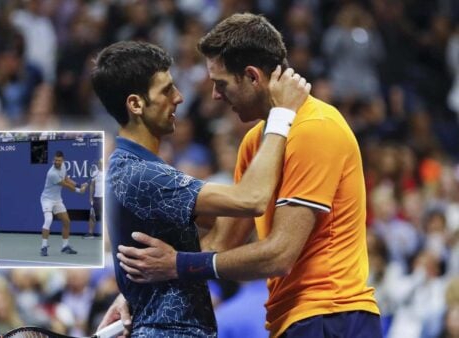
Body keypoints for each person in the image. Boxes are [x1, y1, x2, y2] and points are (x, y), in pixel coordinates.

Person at [113, 13, 382, 338]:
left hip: (334, 315)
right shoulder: (257, 142)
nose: (214, 95)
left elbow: (279, 255)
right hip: (296, 318)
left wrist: (176, 265)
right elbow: (221, 241)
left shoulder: (315, 128)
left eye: (221, 83)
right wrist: (144, 292)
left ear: (253, 77)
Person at [91, 40, 309, 336]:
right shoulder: (141, 174)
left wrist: (133, 291)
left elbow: (220, 236)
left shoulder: (134, 168)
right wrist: (282, 114)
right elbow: (253, 199)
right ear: (136, 104)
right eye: (167, 90)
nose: (179, 98)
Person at [40, 150, 88, 256]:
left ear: (63, 160)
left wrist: (79, 185)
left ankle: (65, 246)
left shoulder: (63, 166)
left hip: (57, 199)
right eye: (55, 160)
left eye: (59, 160)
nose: (57, 162)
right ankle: (43, 247)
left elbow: (67, 179)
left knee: (66, 221)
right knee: (48, 219)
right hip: (47, 200)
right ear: (53, 160)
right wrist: (79, 191)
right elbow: (66, 185)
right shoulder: (52, 173)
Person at [84, 159, 103, 239]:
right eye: (98, 163)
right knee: (92, 215)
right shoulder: (95, 173)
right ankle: (90, 233)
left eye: (100, 163)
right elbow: (92, 186)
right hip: (97, 198)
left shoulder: (109, 172)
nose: (99, 164)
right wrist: (90, 197)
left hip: (106, 198)